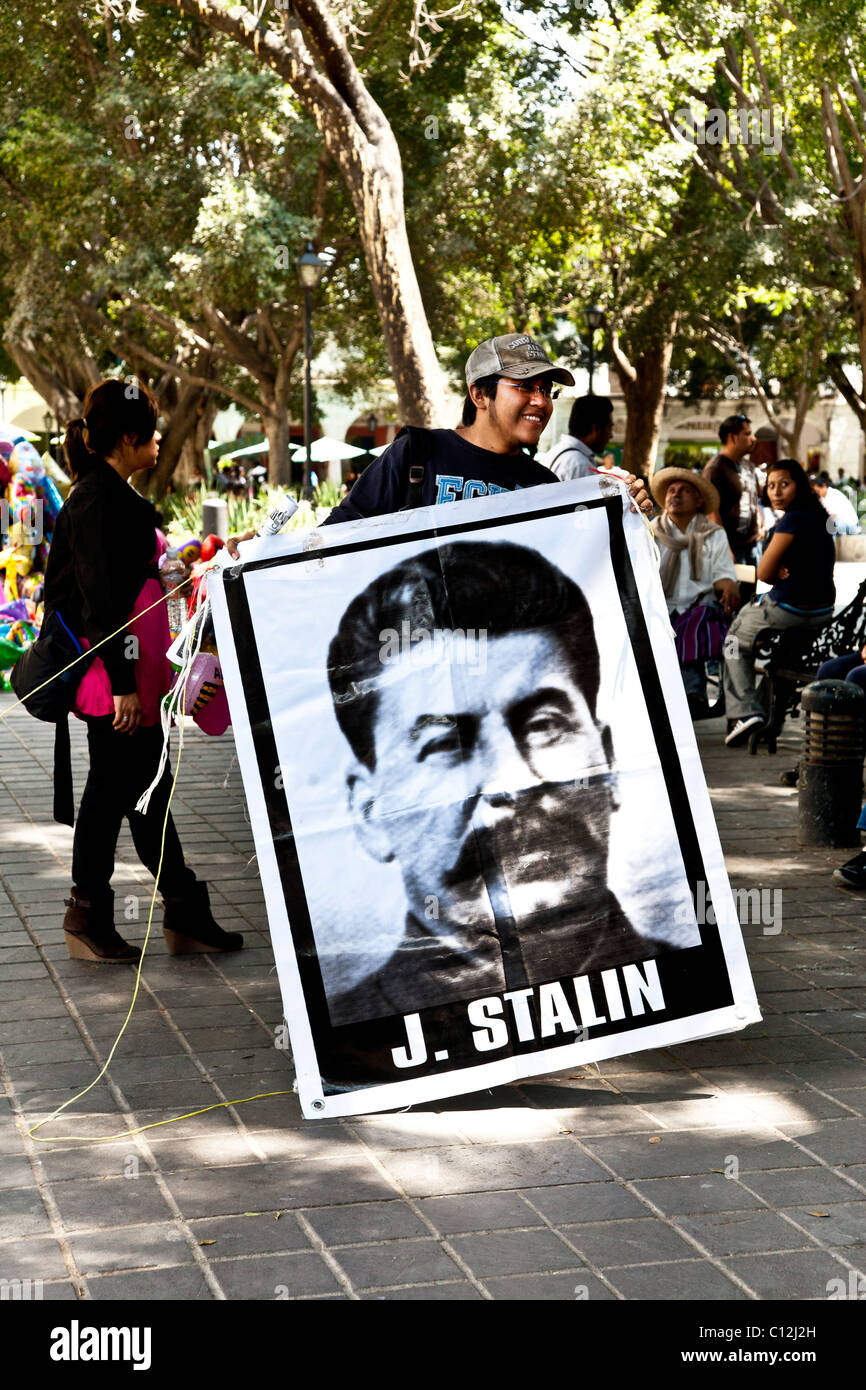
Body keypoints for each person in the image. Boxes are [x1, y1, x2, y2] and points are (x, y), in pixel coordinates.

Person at [324, 539, 672, 1026]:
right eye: (446, 745)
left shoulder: (692, 986)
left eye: (546, 727)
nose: (511, 781)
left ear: (608, 763)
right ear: (372, 812)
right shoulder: (349, 1045)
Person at [43, 379, 243, 963]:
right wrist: (126, 685)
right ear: (129, 439)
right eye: (151, 433)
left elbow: (135, 581)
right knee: (112, 792)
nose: (158, 441)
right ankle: (87, 915)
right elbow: (100, 603)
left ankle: (182, 910)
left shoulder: (110, 495)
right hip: (116, 681)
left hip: (134, 677)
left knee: (147, 791)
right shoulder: (97, 501)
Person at [226, 336, 651, 554]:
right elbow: (341, 534)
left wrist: (627, 511)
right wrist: (268, 555)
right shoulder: (417, 454)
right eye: (524, 387)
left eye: (545, 389)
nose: (540, 400)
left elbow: (578, 564)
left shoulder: (544, 484)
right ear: (479, 395)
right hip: (411, 662)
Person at [722, 458, 836, 747]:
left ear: (801, 485)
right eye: (771, 485)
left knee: (734, 639)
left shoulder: (793, 519)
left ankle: (743, 712)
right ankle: (761, 715)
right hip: (822, 611)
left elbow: (764, 573)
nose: (776, 491)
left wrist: (775, 568)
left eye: (784, 484)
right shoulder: (819, 515)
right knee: (781, 658)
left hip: (789, 609)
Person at [650, 468, 740, 720]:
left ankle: (690, 696)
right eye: (671, 490)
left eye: (684, 490)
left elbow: (723, 575)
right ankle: (691, 695)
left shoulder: (713, 534)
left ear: (699, 501)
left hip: (700, 608)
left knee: (690, 626)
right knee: (666, 628)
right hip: (660, 608)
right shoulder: (649, 532)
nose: (675, 495)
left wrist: (729, 587)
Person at [702, 414, 760, 568]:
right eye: (747, 434)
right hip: (732, 549)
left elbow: (754, 498)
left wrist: (760, 522)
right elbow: (711, 513)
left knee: (750, 592)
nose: (753, 439)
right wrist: (724, 548)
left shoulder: (749, 466)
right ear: (732, 438)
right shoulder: (715, 469)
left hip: (753, 545)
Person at [547, 395, 615, 481]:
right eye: (610, 428)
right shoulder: (580, 465)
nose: (611, 436)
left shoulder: (556, 451)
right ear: (596, 429)